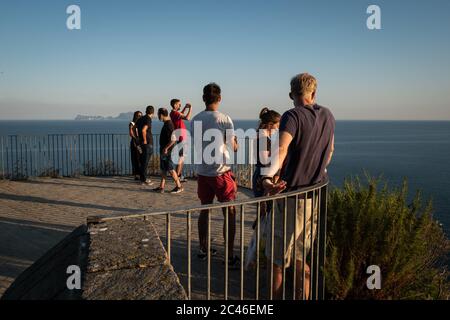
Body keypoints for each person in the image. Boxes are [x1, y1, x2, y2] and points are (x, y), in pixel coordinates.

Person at [262, 73, 335, 299]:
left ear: (291, 94)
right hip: (313, 196)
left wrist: (267, 177)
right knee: (301, 259)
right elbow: (330, 152)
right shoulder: (328, 115)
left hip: (292, 198)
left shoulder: (292, 116)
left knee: (277, 262)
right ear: (314, 93)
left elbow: (282, 150)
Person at [191, 83, 240, 268]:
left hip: (203, 172)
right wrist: (235, 143)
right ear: (219, 98)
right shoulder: (224, 118)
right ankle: (229, 256)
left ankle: (203, 249)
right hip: (221, 172)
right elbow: (233, 146)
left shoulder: (195, 119)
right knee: (230, 212)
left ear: (203, 98)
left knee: (204, 209)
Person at [251, 107, 281, 229]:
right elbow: (265, 160)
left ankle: (260, 234)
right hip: (263, 176)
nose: (278, 128)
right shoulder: (263, 138)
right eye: (277, 126)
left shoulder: (260, 136)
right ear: (270, 125)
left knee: (265, 211)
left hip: (261, 174)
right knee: (266, 209)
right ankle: (260, 239)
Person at [152, 108, 184, 194]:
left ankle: (179, 186)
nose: (158, 116)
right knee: (164, 169)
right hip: (164, 150)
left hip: (167, 151)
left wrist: (166, 148)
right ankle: (161, 187)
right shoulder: (167, 124)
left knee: (170, 169)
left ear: (162, 115)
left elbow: (174, 139)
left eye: (158, 114)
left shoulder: (169, 124)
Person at [170, 99, 193, 183]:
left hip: (181, 137)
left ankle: (179, 175)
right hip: (182, 138)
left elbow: (181, 114)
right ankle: (177, 176)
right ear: (175, 105)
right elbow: (187, 118)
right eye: (179, 104)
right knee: (181, 157)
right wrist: (190, 108)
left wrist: (184, 108)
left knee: (182, 157)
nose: (180, 105)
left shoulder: (173, 113)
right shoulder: (175, 113)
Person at [134, 105, 155, 186]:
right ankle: (144, 179)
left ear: (146, 111)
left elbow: (134, 128)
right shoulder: (148, 119)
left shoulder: (140, 119)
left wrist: (137, 137)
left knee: (143, 161)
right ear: (152, 112)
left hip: (141, 143)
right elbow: (143, 130)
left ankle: (142, 179)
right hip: (147, 143)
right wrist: (145, 140)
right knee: (145, 162)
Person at [129, 111, 142, 180]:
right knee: (135, 158)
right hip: (134, 143)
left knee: (140, 157)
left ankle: (140, 173)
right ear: (135, 116)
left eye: (140, 115)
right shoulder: (132, 123)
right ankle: (136, 174)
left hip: (140, 143)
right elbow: (131, 133)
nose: (139, 117)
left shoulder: (141, 124)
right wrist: (135, 138)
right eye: (138, 115)